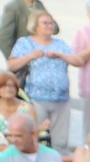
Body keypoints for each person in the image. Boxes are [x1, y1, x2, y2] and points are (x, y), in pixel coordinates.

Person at [8, 11, 81, 149]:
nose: (49, 26)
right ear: (35, 26)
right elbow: (11, 65)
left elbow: (78, 61)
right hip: (37, 99)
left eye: (51, 23)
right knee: (38, 136)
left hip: (61, 99)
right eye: (45, 23)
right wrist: (31, 56)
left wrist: (61, 55)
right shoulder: (25, 43)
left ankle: (58, 159)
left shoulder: (60, 44)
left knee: (60, 141)